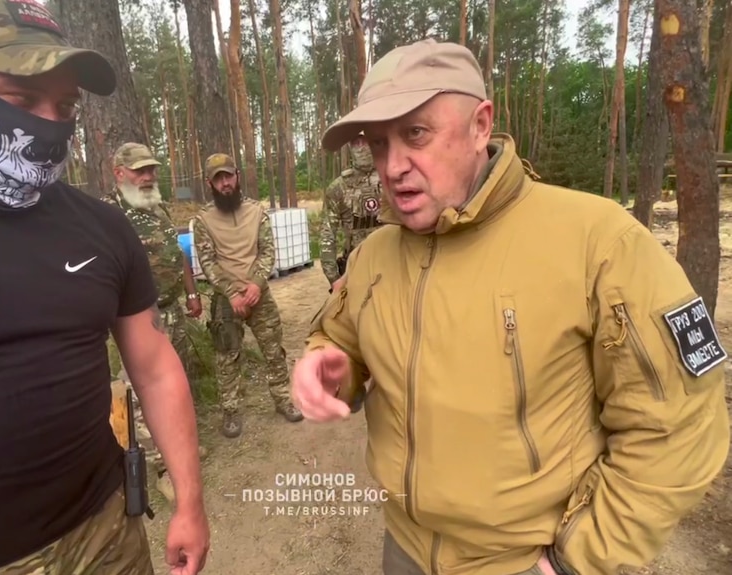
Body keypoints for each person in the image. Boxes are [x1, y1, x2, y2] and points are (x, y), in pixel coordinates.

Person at [291, 38, 730, 575]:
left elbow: (680, 424)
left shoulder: (599, 242)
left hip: (522, 561)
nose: (393, 165)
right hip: (402, 549)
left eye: (416, 134)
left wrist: (579, 559)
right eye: (379, 143)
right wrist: (329, 364)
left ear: (481, 125)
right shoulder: (374, 254)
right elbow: (339, 336)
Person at [0, 1, 209, 574]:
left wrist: (191, 502)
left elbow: (152, 363)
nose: (48, 124)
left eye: (65, 106)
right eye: (21, 99)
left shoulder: (101, 227)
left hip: (107, 535)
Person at [108, 142, 210, 501]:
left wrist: (192, 292)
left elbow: (178, 251)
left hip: (172, 309)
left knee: (175, 380)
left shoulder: (155, 205)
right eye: (140, 170)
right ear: (119, 173)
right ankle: (164, 467)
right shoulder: (110, 215)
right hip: (139, 318)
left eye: (151, 168)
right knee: (143, 392)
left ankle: (177, 448)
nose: (148, 176)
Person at [192, 153, 304, 438]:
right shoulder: (203, 219)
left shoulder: (257, 211)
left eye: (229, 176)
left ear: (237, 176)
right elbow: (207, 262)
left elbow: (267, 251)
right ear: (210, 183)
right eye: (219, 179)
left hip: (260, 295)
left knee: (274, 350)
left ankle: (282, 398)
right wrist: (231, 293)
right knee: (226, 357)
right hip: (226, 299)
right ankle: (230, 411)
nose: (226, 183)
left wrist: (256, 284)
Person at [319, 135, 384, 292]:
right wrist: (334, 279)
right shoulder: (338, 188)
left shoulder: (392, 177)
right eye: (356, 142)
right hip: (355, 270)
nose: (361, 147)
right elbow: (327, 236)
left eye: (365, 140)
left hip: (394, 264)